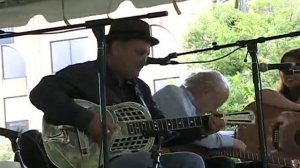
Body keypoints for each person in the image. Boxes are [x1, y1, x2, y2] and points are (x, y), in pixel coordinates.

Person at [28, 19, 217, 168]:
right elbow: (41, 93)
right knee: (142, 160)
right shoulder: (84, 75)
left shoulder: (140, 89)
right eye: (140, 53)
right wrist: (85, 119)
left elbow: (164, 131)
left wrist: (203, 126)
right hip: (91, 162)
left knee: (191, 162)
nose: (145, 60)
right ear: (117, 48)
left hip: (135, 159)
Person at [153, 71, 257, 168]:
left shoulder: (188, 105)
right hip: (153, 155)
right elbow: (195, 135)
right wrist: (233, 142)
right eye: (218, 104)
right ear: (206, 92)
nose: (215, 110)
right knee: (223, 164)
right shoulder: (173, 94)